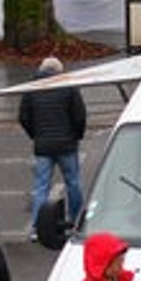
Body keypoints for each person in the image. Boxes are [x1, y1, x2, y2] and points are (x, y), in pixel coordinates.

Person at [18, 56, 87, 238]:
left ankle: (37, 227)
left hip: (43, 145)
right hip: (67, 144)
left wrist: (36, 135)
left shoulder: (31, 88)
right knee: (73, 183)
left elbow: (23, 117)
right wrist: (76, 136)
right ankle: (76, 221)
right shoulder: (68, 86)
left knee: (41, 187)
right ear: (59, 71)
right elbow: (80, 116)